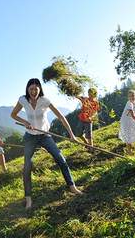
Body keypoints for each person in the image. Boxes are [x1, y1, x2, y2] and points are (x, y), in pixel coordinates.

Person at [11, 78, 82, 209]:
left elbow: (61, 117)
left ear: (40, 89)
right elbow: (13, 114)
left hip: (44, 135)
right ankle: (28, 199)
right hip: (30, 137)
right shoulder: (23, 100)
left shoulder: (45, 101)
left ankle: (72, 186)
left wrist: (71, 135)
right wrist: (25, 123)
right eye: (31, 89)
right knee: (27, 167)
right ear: (27, 89)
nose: (33, 91)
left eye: (36, 89)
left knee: (60, 159)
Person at [118, 90, 135, 154]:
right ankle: (129, 151)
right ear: (128, 97)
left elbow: (134, 112)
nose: (131, 97)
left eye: (133, 95)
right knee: (128, 136)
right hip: (126, 121)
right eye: (130, 96)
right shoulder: (129, 103)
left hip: (131, 120)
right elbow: (132, 114)